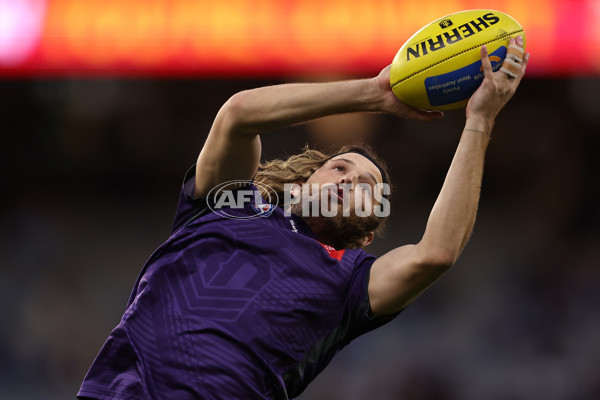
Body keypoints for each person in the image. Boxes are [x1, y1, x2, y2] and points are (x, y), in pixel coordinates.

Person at [78, 37, 529, 400]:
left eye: (368, 188)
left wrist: (479, 121)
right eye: (339, 167)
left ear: (368, 232)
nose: (350, 180)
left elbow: (436, 253)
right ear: (301, 184)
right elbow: (238, 115)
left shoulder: (351, 282)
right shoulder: (228, 203)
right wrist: (375, 94)